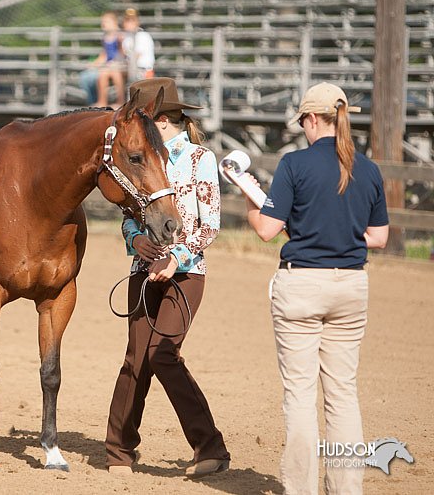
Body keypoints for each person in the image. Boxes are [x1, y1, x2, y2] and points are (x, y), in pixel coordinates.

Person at [242, 82, 389, 494]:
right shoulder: (369, 168)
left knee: (300, 397)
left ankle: (301, 489)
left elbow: (268, 231)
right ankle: (346, 489)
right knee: (342, 395)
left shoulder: (295, 164)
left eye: (303, 122)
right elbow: (378, 238)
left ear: (310, 119)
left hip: (302, 284)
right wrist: (340, 231)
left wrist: (251, 199)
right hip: (351, 286)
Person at [106, 77, 231, 479]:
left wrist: (175, 258)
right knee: (135, 360)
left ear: (159, 120)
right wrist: (135, 239)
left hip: (186, 273)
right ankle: (119, 450)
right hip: (143, 271)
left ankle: (209, 446)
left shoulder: (199, 159)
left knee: (163, 355)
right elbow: (129, 213)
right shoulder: (144, 156)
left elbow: (208, 224)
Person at [77, 11, 126, 107]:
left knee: (115, 73)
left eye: (106, 22)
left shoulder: (119, 36)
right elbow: (104, 55)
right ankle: (102, 101)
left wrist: (115, 62)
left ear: (114, 22)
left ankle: (121, 101)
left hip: (119, 64)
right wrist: (94, 64)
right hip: (109, 66)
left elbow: (122, 52)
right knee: (103, 74)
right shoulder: (106, 37)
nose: (103, 24)